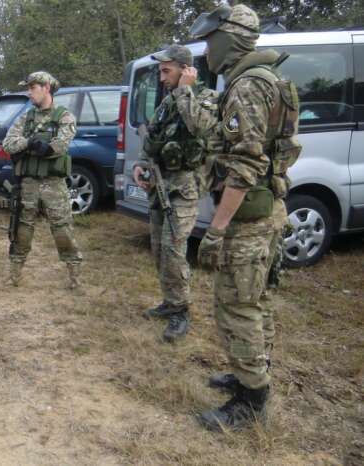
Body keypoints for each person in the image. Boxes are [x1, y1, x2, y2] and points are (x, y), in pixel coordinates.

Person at [191, 3, 300, 431]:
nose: (206, 51)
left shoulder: (248, 85)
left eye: (209, 41)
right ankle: (251, 375)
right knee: (257, 300)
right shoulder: (264, 78)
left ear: (229, 39)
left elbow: (246, 164)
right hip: (267, 210)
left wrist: (217, 229)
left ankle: (251, 400)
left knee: (237, 306)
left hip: (250, 218)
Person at [132, 44, 219, 342]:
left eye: (166, 70)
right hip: (160, 185)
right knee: (159, 249)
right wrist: (141, 165)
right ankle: (170, 302)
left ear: (186, 70)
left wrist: (185, 91)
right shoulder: (167, 103)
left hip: (184, 187)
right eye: (160, 71)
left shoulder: (206, 98)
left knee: (173, 250)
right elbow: (152, 138)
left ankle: (181, 310)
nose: (161, 77)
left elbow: (200, 128)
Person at [1, 71, 83, 290]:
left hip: (53, 184)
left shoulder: (64, 116)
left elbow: (60, 145)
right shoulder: (26, 118)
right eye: (28, 88)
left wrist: (44, 147)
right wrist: (29, 143)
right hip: (28, 184)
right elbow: (8, 143)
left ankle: (74, 275)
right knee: (21, 229)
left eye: (32, 88)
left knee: (62, 229)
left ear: (46, 88)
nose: (29, 93)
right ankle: (14, 275)